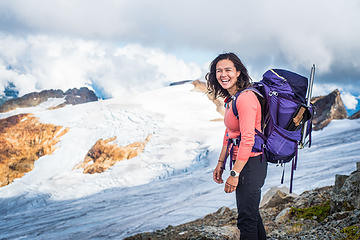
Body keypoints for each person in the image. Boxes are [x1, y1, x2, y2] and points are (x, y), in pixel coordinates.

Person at [206, 52, 268, 240]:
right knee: (252, 215)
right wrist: (221, 163)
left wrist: (234, 174)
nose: (223, 75)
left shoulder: (246, 98)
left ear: (238, 72)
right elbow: (230, 133)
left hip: (251, 163)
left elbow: (248, 139)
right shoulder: (232, 99)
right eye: (219, 71)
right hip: (242, 161)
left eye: (228, 70)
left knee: (246, 220)